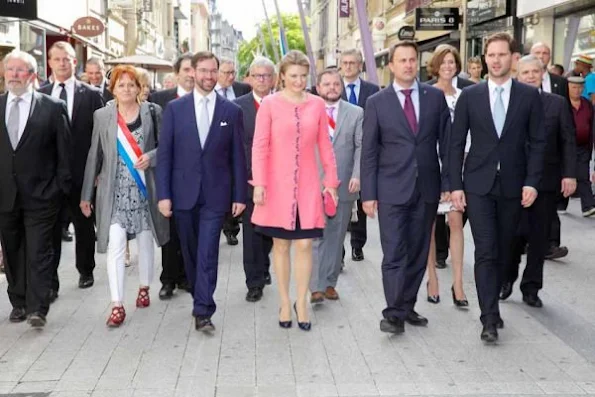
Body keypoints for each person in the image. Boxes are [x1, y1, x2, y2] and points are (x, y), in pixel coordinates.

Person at [450, 32, 546, 343]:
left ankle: (495, 303)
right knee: (486, 251)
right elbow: (455, 144)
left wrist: (532, 181)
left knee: (505, 250)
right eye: (490, 55)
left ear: (513, 58)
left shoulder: (529, 97)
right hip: (478, 184)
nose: (495, 60)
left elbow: (538, 143)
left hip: (514, 187)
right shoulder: (470, 96)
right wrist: (455, 186)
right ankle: (488, 317)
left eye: (501, 54)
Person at [361, 41, 450, 335]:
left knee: (417, 251)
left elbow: (446, 146)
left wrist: (449, 184)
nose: (408, 65)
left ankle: (406, 304)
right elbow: (370, 152)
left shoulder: (435, 98)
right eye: (402, 60)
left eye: (412, 60)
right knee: (394, 252)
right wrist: (369, 194)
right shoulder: (376, 102)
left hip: (426, 188)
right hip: (390, 190)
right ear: (392, 65)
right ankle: (393, 313)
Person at [156, 51, 247, 333]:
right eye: (203, 71)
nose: (209, 76)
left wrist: (239, 196)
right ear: (192, 72)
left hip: (215, 196)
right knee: (191, 252)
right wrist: (163, 195)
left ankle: (203, 309)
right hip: (182, 194)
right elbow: (166, 154)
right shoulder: (175, 109)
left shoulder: (231, 111)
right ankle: (199, 293)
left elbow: (238, 158)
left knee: (208, 252)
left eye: (213, 71)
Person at [251, 50, 339, 331]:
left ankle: (302, 302)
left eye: (303, 76)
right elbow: (260, 146)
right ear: (283, 77)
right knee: (281, 245)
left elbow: (325, 146)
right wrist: (260, 184)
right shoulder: (270, 105)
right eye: (293, 76)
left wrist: (331, 183)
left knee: (304, 244)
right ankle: (284, 301)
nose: (299, 81)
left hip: (309, 187)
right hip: (277, 186)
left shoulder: (316, 105)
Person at [80, 65, 169, 327]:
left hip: (144, 188)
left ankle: (144, 286)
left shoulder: (152, 112)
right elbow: (94, 154)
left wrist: (151, 157)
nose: (127, 89)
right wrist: (86, 194)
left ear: (139, 88)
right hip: (114, 191)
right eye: (122, 85)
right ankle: (117, 303)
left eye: (132, 84)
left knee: (144, 243)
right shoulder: (102, 115)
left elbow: (166, 147)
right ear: (113, 88)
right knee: (116, 244)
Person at [0, 50, 71, 327]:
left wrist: (58, 188)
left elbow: (64, 154)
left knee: (40, 251)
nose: (14, 75)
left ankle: (37, 307)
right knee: (13, 249)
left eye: (20, 70)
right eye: (10, 70)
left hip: (42, 195)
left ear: (32, 75)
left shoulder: (52, 107)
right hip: (5, 195)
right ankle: (18, 301)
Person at [500, 55, 576, 308]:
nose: (531, 76)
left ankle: (531, 288)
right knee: (512, 235)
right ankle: (506, 279)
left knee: (539, 238)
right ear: (517, 76)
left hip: (546, 182)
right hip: (513, 181)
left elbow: (567, 140)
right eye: (525, 72)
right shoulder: (507, 103)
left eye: (535, 71)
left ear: (543, 74)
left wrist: (570, 174)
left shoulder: (557, 104)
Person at [38, 41, 104, 297]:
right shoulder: (41, 94)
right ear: (50, 62)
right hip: (48, 176)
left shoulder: (91, 94)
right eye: (57, 59)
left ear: (75, 62)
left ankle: (86, 270)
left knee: (84, 225)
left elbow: (101, 137)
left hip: (82, 173)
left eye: (67, 59)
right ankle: (50, 282)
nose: (62, 63)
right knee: (50, 229)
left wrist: (99, 170)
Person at [310, 67, 362, 304]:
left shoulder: (356, 113)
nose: (332, 88)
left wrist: (357, 175)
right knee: (315, 237)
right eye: (327, 84)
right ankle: (315, 286)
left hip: (343, 186)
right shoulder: (308, 110)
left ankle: (330, 283)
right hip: (313, 184)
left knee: (336, 236)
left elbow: (361, 147)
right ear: (318, 88)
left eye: (336, 84)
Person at [149, 53, 194, 300]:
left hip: (194, 176)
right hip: (166, 174)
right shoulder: (159, 100)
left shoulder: (205, 100)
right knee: (169, 229)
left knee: (189, 229)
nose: (190, 74)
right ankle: (168, 279)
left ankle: (187, 275)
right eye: (185, 69)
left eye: (193, 69)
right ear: (176, 73)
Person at [425, 44, 468, 308]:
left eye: (452, 62)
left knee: (455, 220)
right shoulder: (426, 94)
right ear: (436, 65)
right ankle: (432, 279)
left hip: (459, 167)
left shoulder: (466, 95)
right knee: (428, 225)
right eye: (444, 62)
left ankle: (459, 283)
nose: (448, 66)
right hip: (431, 167)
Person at [234, 56, 276, 303]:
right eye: (257, 75)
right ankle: (254, 282)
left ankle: (264, 263)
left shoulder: (283, 103)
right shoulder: (238, 107)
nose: (261, 80)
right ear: (249, 78)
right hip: (250, 180)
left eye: (266, 75)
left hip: (277, 180)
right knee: (251, 232)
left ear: (274, 78)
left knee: (270, 230)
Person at [339, 48, 379, 262]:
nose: (348, 66)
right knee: (342, 202)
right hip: (341, 152)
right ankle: (340, 249)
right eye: (344, 62)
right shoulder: (333, 88)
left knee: (362, 198)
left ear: (360, 65)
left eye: (352, 63)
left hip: (365, 150)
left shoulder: (372, 90)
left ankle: (357, 245)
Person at [215, 58, 252, 246]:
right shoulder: (209, 91)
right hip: (216, 148)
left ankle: (231, 229)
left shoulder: (243, 89)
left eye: (232, 73)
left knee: (234, 186)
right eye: (226, 73)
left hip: (238, 144)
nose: (230, 76)